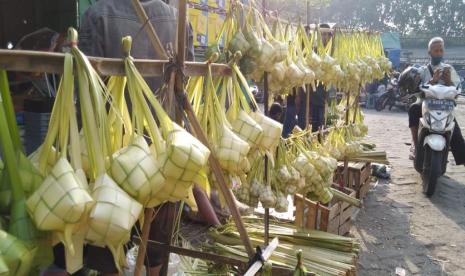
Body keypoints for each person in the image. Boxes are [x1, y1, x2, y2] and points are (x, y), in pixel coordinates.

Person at [47, 1, 220, 276]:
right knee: (156, 240)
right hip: (165, 156)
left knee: (112, 236)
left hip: (113, 157)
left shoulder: (97, 16)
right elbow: (181, 85)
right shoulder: (178, 20)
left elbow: (87, 94)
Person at [406, 37, 465, 164]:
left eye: (440, 50)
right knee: (413, 109)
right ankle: (416, 145)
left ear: (443, 52)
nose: (438, 53)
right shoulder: (422, 70)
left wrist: (448, 80)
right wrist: (433, 81)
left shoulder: (449, 69)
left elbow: (457, 90)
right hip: (426, 105)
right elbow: (417, 90)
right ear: (429, 52)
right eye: (435, 50)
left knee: (455, 132)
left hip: (445, 107)